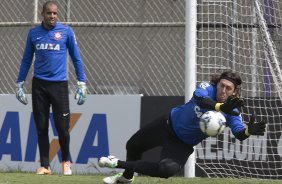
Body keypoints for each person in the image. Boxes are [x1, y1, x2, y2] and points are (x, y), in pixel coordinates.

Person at [98, 71, 266, 184]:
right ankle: (126, 179)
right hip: (166, 125)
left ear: (234, 92)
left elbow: (239, 133)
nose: (223, 90)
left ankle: (118, 164)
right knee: (132, 145)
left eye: (228, 88)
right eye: (221, 85)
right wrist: (220, 107)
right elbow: (199, 99)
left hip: (182, 144)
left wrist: (248, 131)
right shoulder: (207, 88)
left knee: (165, 171)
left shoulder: (233, 111)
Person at [15, 1, 87, 175]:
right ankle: (45, 165)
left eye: (55, 13)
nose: (52, 16)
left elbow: (76, 58)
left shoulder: (66, 32)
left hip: (59, 85)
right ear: (42, 14)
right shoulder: (33, 34)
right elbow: (26, 59)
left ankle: (65, 162)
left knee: (62, 127)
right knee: (41, 126)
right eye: (49, 13)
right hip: (39, 85)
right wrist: (19, 83)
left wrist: (82, 83)